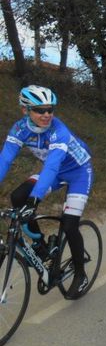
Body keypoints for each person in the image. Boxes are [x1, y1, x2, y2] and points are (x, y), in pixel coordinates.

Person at [0, 85, 94, 298]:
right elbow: (5, 160)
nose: (46, 114)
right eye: (39, 110)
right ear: (25, 110)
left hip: (79, 172)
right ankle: (40, 245)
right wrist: (30, 198)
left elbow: (51, 166)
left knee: (69, 224)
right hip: (54, 172)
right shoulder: (19, 129)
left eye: (50, 109)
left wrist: (36, 199)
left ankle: (80, 274)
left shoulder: (58, 130)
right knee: (17, 197)